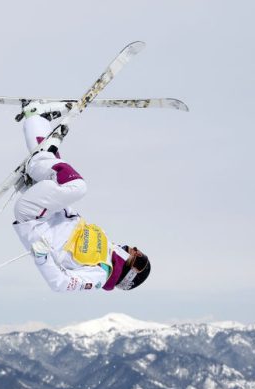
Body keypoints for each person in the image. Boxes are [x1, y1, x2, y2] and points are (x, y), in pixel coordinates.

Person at [12, 102, 151, 292]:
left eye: (140, 258)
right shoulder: (106, 247)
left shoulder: (100, 274)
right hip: (44, 210)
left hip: (33, 219)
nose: (135, 250)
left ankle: (35, 164)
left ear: (131, 274)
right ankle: (36, 118)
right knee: (55, 160)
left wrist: (42, 258)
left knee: (77, 186)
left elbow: (61, 284)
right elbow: (71, 219)